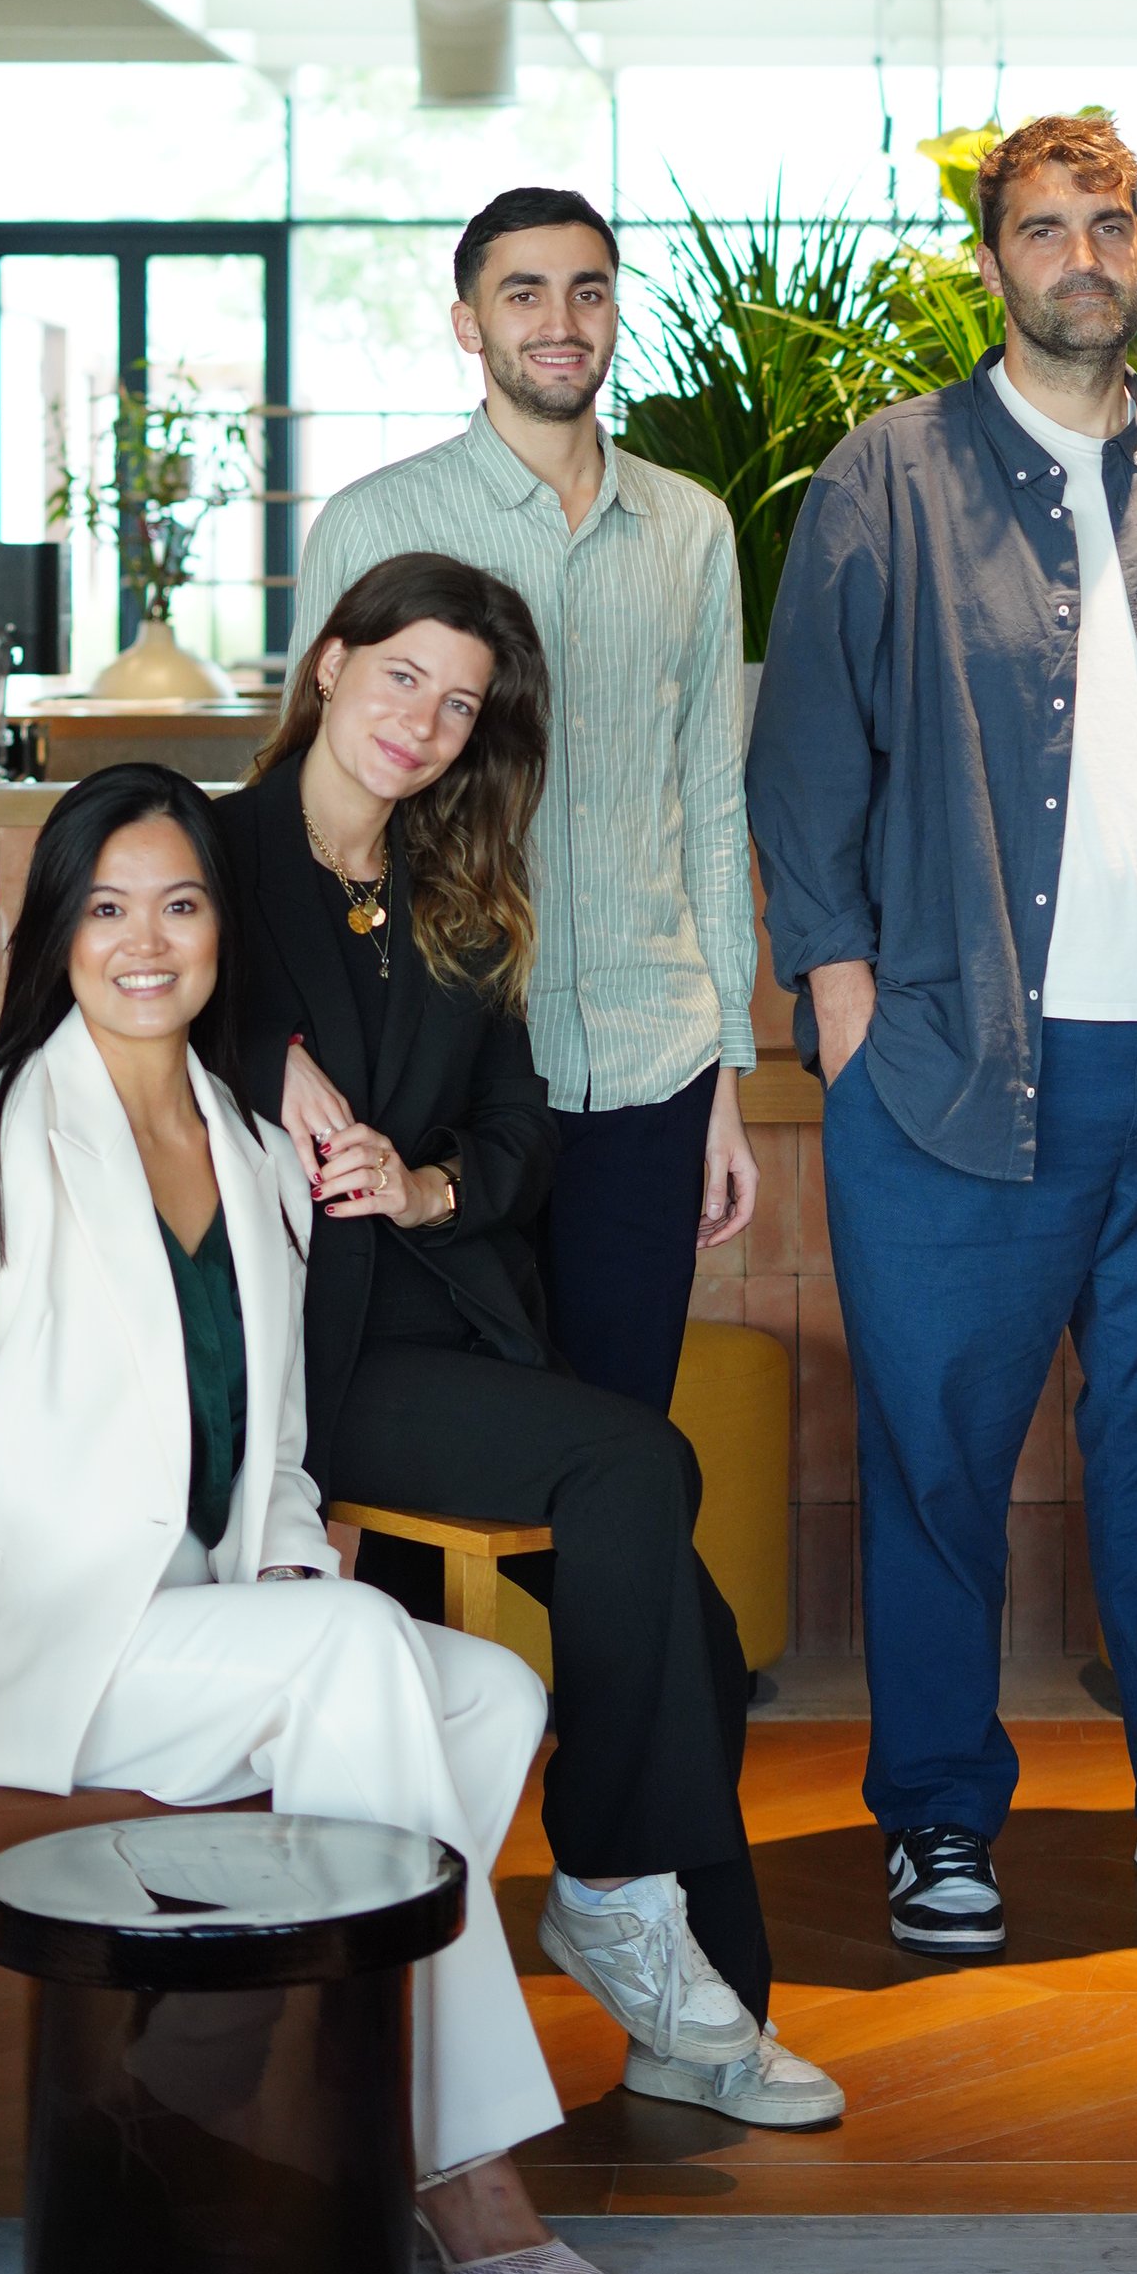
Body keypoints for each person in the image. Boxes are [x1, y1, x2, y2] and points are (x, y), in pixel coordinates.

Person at [0, 766, 605, 2274]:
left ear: (222, 929)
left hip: (206, 1630)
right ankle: (450, 2155)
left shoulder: (257, 1155)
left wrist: (298, 1555)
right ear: (57, 934)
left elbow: (281, 1445)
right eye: (106, 908)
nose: (146, 941)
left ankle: (250, 2069)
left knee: (497, 1693)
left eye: (179, 903)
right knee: (360, 1654)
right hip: (38, 1646)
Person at [748, 110, 1137, 1958]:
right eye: (1045, 226)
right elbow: (806, 747)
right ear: (991, 262)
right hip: (956, 1065)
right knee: (938, 1458)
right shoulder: (884, 475)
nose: (1082, 253)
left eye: (1111, 221)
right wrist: (836, 997)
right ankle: (934, 1817)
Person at [215, 550, 841, 2134]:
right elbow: (102, 968)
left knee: (687, 1625)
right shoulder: (205, 846)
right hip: (309, 1359)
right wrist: (262, 1056)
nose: (424, 719)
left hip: (453, 1317)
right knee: (638, 1454)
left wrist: (430, 1181)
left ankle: (687, 1996)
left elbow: (516, 1129)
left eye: (461, 700)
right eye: (403, 673)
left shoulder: (451, 888)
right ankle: (624, 1904)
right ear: (333, 661)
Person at [289, 187, 757, 1421]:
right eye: (524, 292)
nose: (562, 320)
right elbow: (307, 794)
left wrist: (728, 1077)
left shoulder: (691, 531)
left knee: (615, 1447)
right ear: (468, 324)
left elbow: (709, 804)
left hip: (652, 1068)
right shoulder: (378, 522)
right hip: (443, 1065)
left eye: (589, 291)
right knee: (429, 1453)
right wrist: (285, 1035)